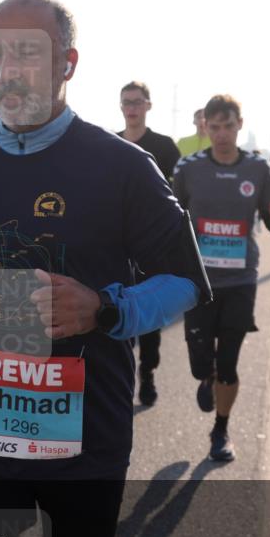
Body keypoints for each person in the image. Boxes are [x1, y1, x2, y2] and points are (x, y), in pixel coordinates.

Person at [0, 0, 210, 537]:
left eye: (27, 52)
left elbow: (187, 279)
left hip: (84, 429)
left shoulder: (122, 166)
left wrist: (106, 307)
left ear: (67, 64)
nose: (7, 68)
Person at [172, 94, 270, 462]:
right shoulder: (188, 168)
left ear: (239, 125)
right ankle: (205, 375)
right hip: (198, 281)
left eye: (228, 126)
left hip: (240, 279)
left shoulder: (257, 169)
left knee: (230, 362)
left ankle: (221, 430)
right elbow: (170, 220)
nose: (221, 134)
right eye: (214, 127)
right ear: (205, 126)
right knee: (199, 362)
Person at [116, 81, 181, 407]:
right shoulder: (109, 145)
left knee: (149, 319)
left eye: (137, 102)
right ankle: (122, 378)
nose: (132, 108)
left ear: (148, 106)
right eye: (127, 102)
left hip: (152, 246)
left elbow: (179, 198)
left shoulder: (165, 147)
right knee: (117, 311)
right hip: (116, 245)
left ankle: (148, 373)